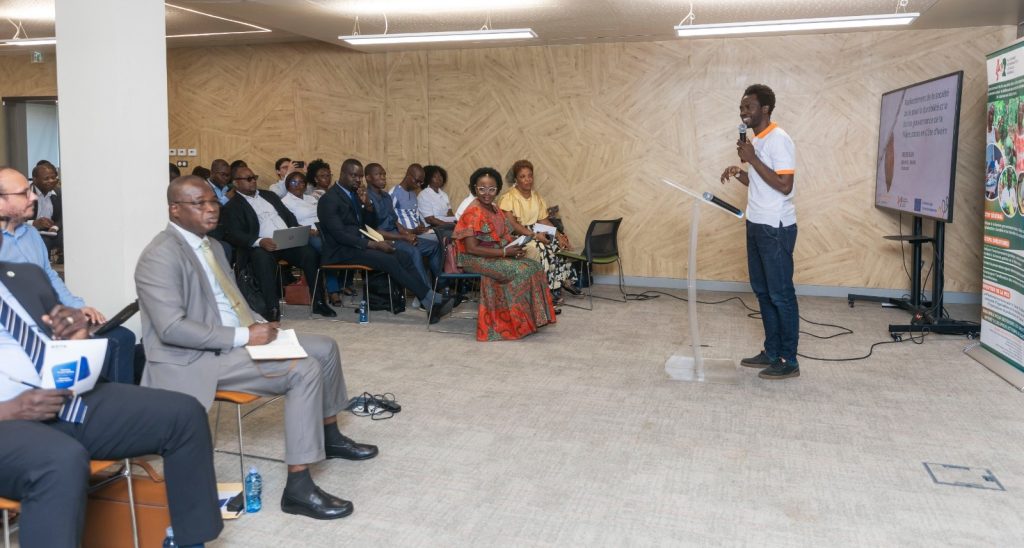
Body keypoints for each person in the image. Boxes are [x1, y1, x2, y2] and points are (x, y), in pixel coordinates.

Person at [0, 169, 223, 547]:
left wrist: (75, 330)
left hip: (58, 396)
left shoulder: (22, 271)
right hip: (8, 416)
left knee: (184, 414)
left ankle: (190, 541)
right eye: (24, 193)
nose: (34, 198)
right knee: (61, 460)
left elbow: (55, 326)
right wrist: (9, 410)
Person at [137, 175, 377, 520]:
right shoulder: (159, 255)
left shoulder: (212, 245)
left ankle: (330, 436)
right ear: (175, 209)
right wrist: (245, 337)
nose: (211, 209)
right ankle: (298, 488)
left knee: (324, 347)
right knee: (302, 370)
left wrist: (259, 322)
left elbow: (230, 299)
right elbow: (172, 328)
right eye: (199, 204)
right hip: (195, 357)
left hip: (236, 338)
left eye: (213, 202)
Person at [0, 168, 137, 384]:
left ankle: (109, 400)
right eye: (24, 193)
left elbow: (50, 276)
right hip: (21, 330)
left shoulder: (31, 234)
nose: (33, 197)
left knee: (121, 337)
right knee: (106, 343)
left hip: (51, 318)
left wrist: (77, 307)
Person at [719, 83, 799, 380]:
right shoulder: (756, 140)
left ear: (765, 109)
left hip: (775, 228)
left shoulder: (779, 139)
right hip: (756, 223)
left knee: (780, 294)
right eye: (741, 107)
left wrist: (752, 159)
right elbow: (763, 183)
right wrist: (742, 173)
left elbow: (785, 186)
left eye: (748, 106)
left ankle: (789, 360)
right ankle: (772, 350)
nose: (743, 112)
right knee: (763, 292)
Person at [318, 158, 454, 322]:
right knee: (389, 259)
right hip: (340, 250)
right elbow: (339, 235)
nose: (358, 180)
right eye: (354, 175)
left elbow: (368, 225)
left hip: (358, 245)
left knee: (403, 256)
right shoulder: (329, 199)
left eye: (360, 176)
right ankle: (433, 300)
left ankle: (430, 301)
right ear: (342, 174)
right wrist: (374, 244)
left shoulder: (354, 195)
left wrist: (368, 206)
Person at [219, 165, 336, 319]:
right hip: (260, 247)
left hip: (285, 240)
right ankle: (272, 308)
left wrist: (294, 229)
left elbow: (288, 215)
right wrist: (259, 241)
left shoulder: (269, 196)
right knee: (262, 259)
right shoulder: (232, 206)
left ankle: (318, 302)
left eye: (254, 177)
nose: (253, 181)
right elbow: (233, 234)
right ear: (236, 183)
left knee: (310, 254)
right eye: (248, 179)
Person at [453, 167, 557, 341]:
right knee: (521, 271)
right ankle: (512, 326)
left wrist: (514, 248)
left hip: (494, 253)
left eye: (492, 189)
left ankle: (532, 321)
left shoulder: (495, 209)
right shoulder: (473, 212)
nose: (487, 193)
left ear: (497, 190)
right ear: (475, 189)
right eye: (482, 189)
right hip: (474, 259)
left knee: (534, 266)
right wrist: (503, 252)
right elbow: (471, 248)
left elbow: (506, 235)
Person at [497, 160, 578, 305]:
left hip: (535, 231)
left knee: (556, 244)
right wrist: (534, 235)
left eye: (530, 176)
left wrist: (559, 235)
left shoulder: (537, 197)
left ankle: (560, 283)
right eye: (522, 176)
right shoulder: (508, 198)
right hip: (516, 235)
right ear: (516, 179)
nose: (527, 180)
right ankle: (544, 292)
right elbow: (512, 225)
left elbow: (543, 221)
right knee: (541, 247)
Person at [365, 162, 443, 293]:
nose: (383, 177)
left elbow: (395, 221)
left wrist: (407, 234)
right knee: (413, 251)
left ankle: (441, 286)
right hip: (383, 241)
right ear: (368, 178)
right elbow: (373, 231)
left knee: (434, 247)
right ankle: (427, 294)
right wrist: (404, 237)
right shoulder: (366, 199)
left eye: (384, 174)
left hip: (398, 236)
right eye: (378, 174)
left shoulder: (385, 196)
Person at [29, 162, 62, 259]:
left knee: (69, 237)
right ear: (35, 179)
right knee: (43, 242)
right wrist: (34, 223)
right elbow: (13, 220)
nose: (51, 181)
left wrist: (55, 227)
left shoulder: (58, 193)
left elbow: (63, 216)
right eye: (46, 178)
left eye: (53, 177)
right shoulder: (25, 194)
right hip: (30, 232)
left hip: (52, 232)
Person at [418, 164, 455, 241]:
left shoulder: (444, 194)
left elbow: (450, 213)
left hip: (445, 227)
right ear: (428, 179)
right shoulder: (424, 195)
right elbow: (430, 220)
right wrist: (450, 225)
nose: (439, 178)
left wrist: (455, 222)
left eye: (440, 176)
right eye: (435, 176)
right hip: (431, 229)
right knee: (456, 236)